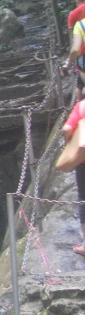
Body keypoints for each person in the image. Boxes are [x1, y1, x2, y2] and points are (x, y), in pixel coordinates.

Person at [62, 98, 85, 256]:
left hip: (83, 161)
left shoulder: (82, 106)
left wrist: (69, 142)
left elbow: (67, 128)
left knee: (84, 199)